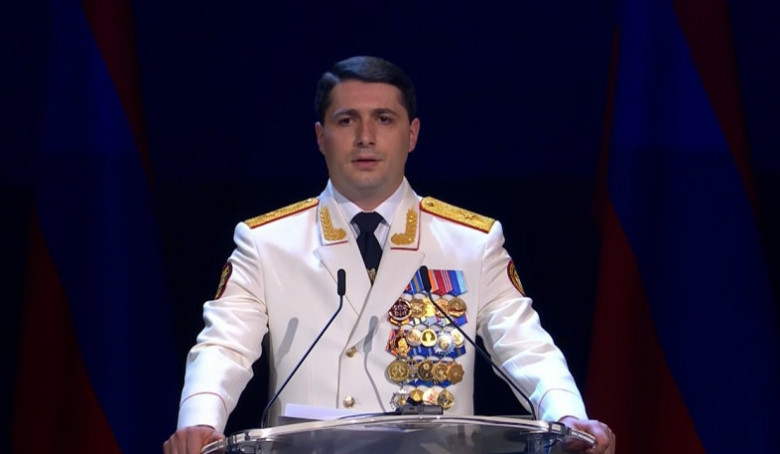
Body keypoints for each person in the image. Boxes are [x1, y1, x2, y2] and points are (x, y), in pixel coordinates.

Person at [163, 56, 615, 454]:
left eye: (383, 119)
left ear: (412, 134)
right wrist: (200, 420)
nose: (365, 137)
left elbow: (525, 345)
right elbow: (224, 346)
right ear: (320, 137)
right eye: (346, 121)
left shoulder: (471, 242)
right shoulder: (267, 242)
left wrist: (566, 414)